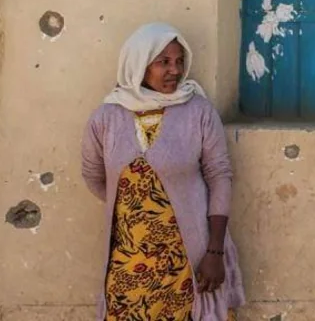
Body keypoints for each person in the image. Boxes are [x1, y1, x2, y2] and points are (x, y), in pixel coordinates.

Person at [82, 22, 245, 320]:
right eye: (164, 62)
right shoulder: (106, 117)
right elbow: (94, 176)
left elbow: (219, 176)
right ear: (139, 64)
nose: (175, 70)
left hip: (188, 258)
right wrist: (135, 206)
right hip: (128, 262)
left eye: (180, 61)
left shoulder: (198, 111)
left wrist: (215, 251)